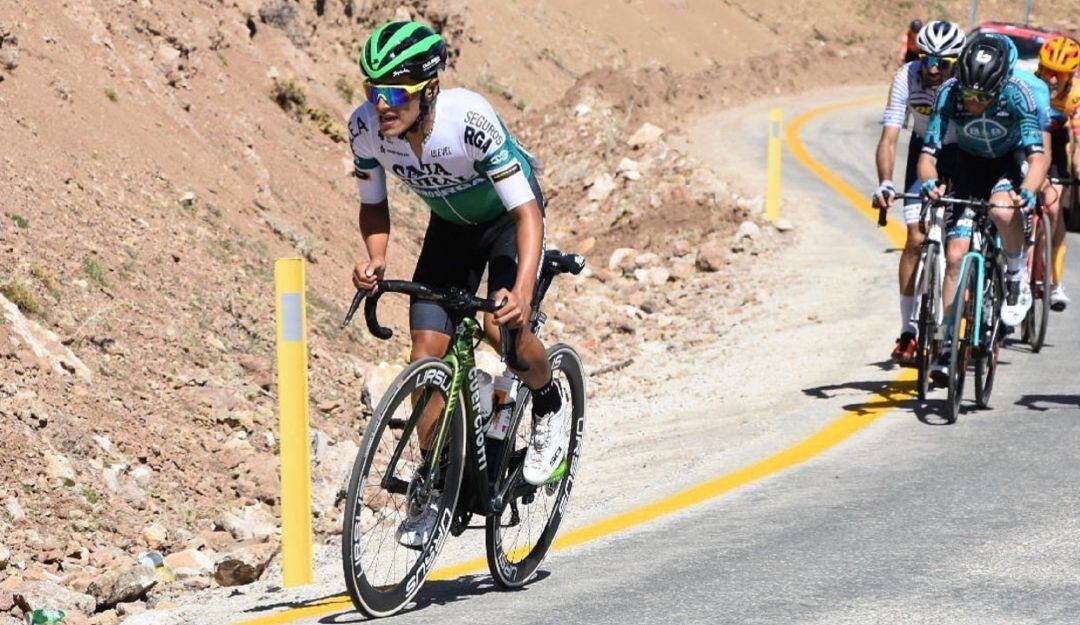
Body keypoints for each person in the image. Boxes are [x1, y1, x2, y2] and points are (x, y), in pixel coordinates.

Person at [348, 20, 570, 546]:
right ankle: (436, 489)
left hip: (506, 224)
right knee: (425, 355)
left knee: (503, 329)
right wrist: (375, 258)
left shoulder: (467, 119)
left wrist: (519, 291)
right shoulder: (365, 129)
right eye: (372, 90)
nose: (382, 104)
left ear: (429, 91)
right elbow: (373, 204)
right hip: (450, 228)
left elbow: (528, 213)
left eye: (395, 92)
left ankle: (548, 406)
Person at [919, 33, 1051, 380]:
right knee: (955, 256)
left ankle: (1015, 273)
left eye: (982, 96)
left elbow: (1037, 159)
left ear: (1001, 85)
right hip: (969, 164)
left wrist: (1029, 190)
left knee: (1002, 211)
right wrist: (930, 181)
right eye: (969, 94)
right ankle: (947, 344)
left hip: (1007, 162)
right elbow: (928, 154)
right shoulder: (949, 92)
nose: (973, 101)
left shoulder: (1018, 94)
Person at [873, 21, 965, 366]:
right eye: (928, 60)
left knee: (959, 243)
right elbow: (890, 136)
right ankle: (909, 330)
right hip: (924, 149)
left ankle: (962, 321)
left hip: (963, 152)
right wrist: (884, 181)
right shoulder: (906, 77)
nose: (934, 69)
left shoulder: (963, 82)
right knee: (914, 238)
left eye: (944, 63)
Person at [1035, 36, 1080, 311]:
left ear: (1072, 74)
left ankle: (1054, 283)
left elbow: (1078, 143)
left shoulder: (1076, 94)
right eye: (1046, 69)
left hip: (1057, 146)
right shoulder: (1031, 84)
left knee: (1053, 210)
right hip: (1029, 143)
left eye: (1059, 73)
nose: (1052, 78)